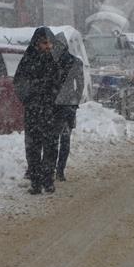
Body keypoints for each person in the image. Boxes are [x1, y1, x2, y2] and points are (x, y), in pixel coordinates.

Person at [13, 26, 61, 194]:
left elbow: (63, 84)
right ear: (37, 43)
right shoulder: (28, 60)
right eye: (44, 43)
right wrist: (31, 96)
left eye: (50, 44)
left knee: (51, 146)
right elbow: (19, 83)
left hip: (52, 111)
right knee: (33, 147)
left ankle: (48, 180)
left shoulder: (55, 61)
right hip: (33, 112)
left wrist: (57, 99)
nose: (48, 47)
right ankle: (35, 181)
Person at [52, 32, 84, 182]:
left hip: (54, 106)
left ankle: (52, 169)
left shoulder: (50, 62)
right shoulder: (75, 62)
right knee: (65, 139)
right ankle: (60, 170)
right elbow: (80, 85)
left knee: (52, 139)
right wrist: (75, 101)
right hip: (68, 106)